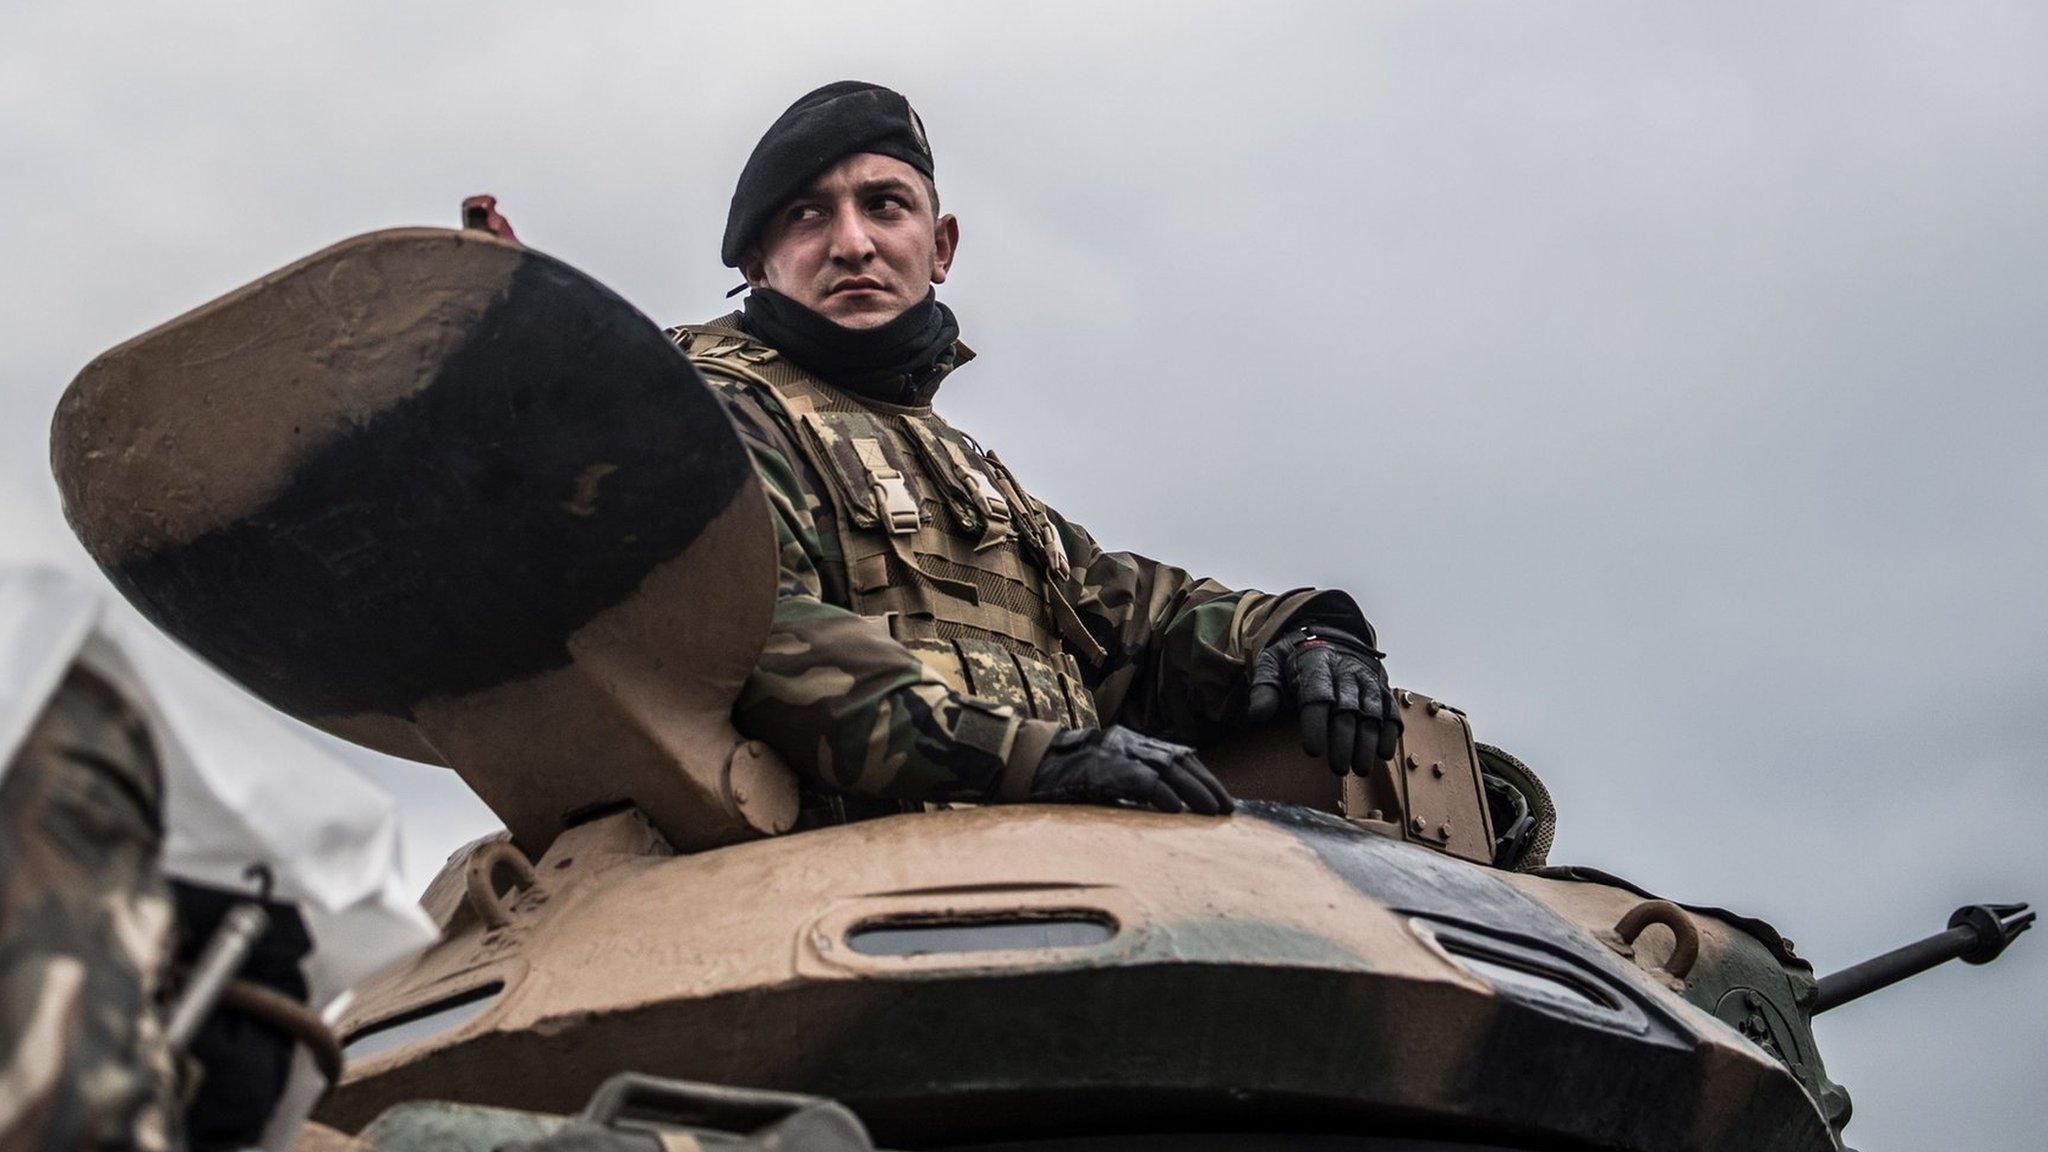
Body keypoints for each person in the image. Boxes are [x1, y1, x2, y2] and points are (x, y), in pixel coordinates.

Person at [669, 82, 1401, 823]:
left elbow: (1137, 623)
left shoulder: (961, 471)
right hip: (825, 902)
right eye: (808, 215)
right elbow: (757, 635)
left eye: (885, 206)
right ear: (759, 265)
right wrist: (1033, 758)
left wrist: (1301, 630)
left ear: (941, 246)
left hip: (1037, 893)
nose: (853, 242)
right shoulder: (710, 413)